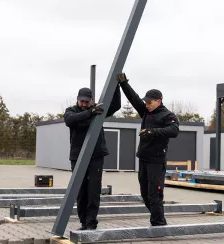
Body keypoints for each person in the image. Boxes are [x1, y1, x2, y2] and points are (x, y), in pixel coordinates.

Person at [118, 73, 179, 226]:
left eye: (150, 102)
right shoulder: (146, 111)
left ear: (159, 101)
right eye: (146, 102)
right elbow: (134, 98)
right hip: (144, 159)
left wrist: (152, 131)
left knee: (155, 194)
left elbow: (174, 130)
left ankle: (158, 223)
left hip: (156, 161)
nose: (147, 104)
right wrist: (124, 83)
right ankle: (159, 219)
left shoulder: (168, 115)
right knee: (145, 193)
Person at [64, 85, 121, 230]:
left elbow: (116, 105)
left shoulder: (99, 110)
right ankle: (83, 222)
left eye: (86, 102)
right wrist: (90, 112)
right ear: (77, 100)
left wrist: (117, 86)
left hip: (96, 155)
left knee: (93, 190)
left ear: (91, 100)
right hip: (78, 156)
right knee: (80, 190)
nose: (83, 104)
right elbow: (70, 121)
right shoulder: (71, 111)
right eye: (81, 101)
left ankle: (91, 223)